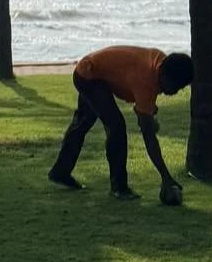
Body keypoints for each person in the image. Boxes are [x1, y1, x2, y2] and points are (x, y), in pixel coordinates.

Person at [48, 45, 193, 203]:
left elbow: (146, 106)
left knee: (82, 122)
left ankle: (60, 172)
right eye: (176, 87)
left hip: (93, 70)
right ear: (165, 76)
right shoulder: (145, 78)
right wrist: (166, 177)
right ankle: (119, 187)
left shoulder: (160, 63)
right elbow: (148, 136)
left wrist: (149, 118)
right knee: (116, 127)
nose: (175, 92)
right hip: (89, 75)